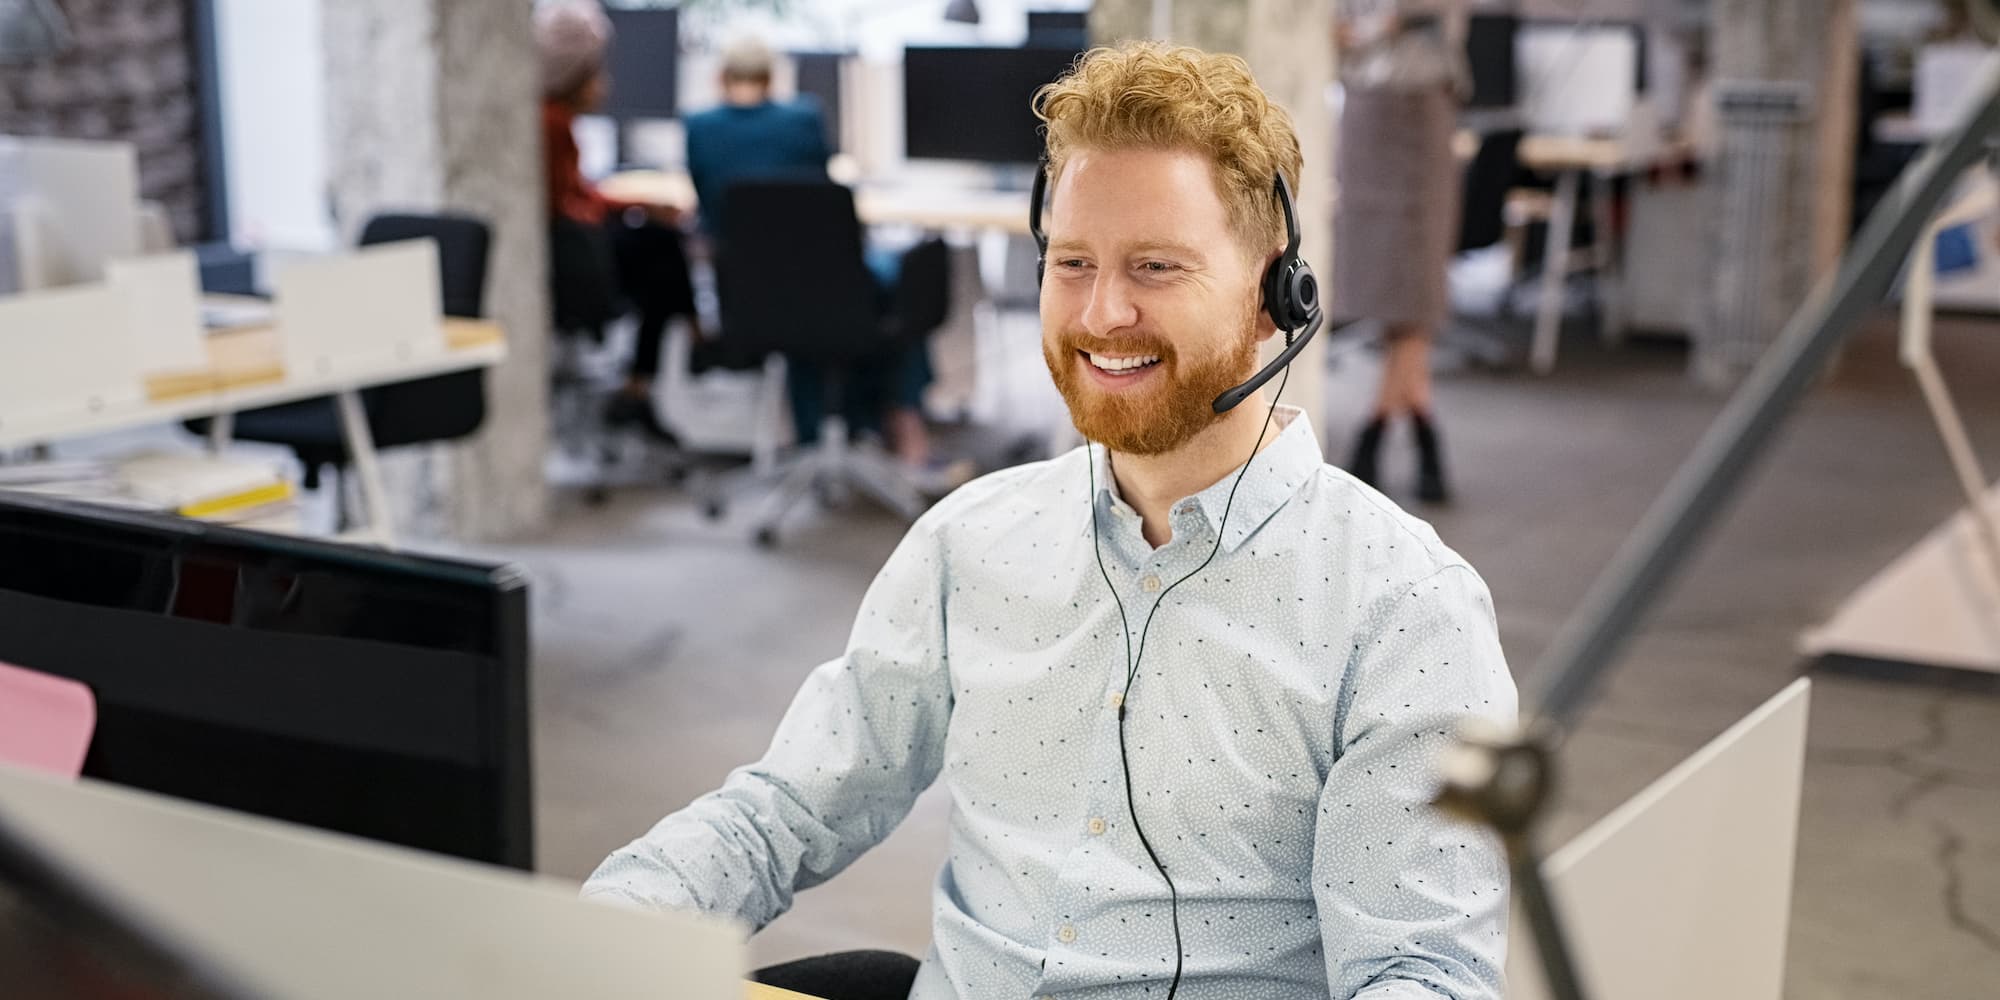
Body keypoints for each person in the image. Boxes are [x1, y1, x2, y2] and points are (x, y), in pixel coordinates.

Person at [585, 43, 1515, 1000]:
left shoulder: (1401, 609)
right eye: (1072, 262)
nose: (1103, 312)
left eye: (1156, 266)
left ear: (1275, 294)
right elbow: (782, 812)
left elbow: (1421, 975)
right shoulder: (971, 541)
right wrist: (571, 942)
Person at [686, 39, 967, 492]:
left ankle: (818, 433)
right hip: (824, 285)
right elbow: (813, 193)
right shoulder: (802, 118)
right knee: (891, 284)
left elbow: (709, 209)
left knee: (823, 305)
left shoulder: (698, 127)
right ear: (772, 79)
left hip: (750, 298)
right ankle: (904, 429)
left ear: (720, 79)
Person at [536, 0, 698, 439]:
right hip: (577, 267)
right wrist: (634, 206)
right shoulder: (551, 123)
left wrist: (633, 203)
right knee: (662, 248)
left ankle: (660, 363)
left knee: (658, 242)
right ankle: (681, 347)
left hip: (577, 251)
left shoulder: (554, 120)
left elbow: (575, 194)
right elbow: (567, 205)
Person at [1333, 0, 1468, 503]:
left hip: (1418, 107)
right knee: (1391, 296)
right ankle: (1423, 429)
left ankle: (1373, 431)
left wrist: (1381, 23)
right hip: (1364, 112)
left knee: (1414, 295)